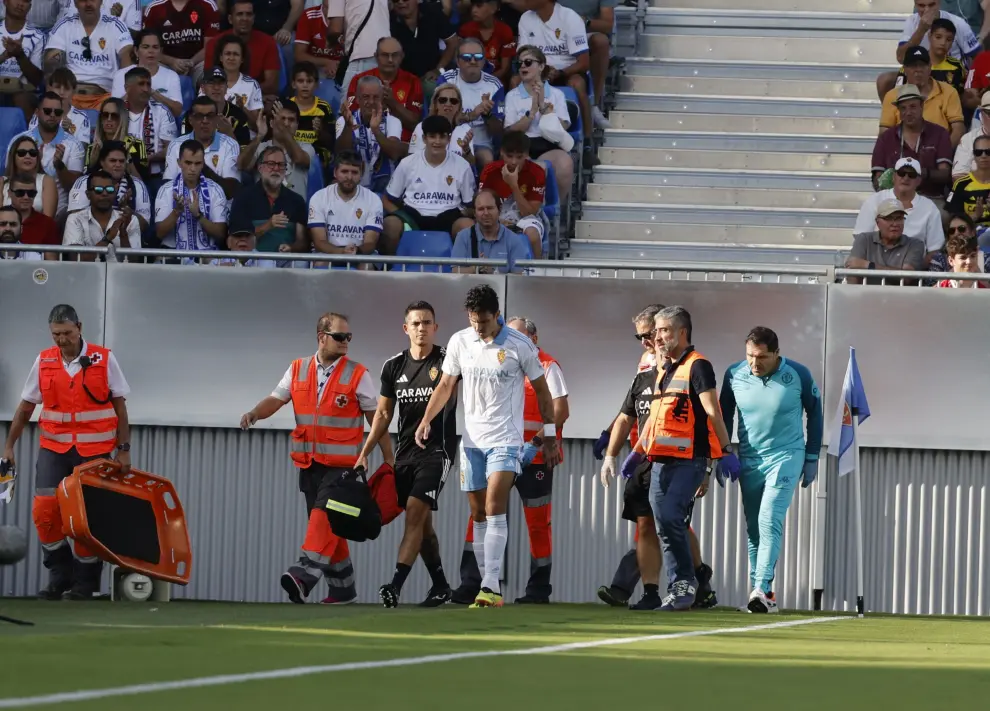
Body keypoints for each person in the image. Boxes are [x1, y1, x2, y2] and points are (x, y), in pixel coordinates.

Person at [415, 285, 560, 608]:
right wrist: (426, 419)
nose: (479, 328)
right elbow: (446, 385)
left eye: (484, 321)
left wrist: (548, 434)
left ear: (497, 315)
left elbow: (543, 392)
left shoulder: (519, 344)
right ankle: (485, 583)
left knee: (495, 508)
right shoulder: (460, 341)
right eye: (474, 321)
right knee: (478, 513)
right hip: (472, 443)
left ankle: (491, 586)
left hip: (505, 441)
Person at [240, 312, 393, 604]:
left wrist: (388, 459)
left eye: (349, 337)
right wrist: (255, 413)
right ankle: (343, 589)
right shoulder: (297, 368)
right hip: (309, 465)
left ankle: (302, 575)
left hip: (343, 469)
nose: (346, 342)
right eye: (339, 336)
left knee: (323, 518)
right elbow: (277, 397)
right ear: (321, 337)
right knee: (329, 525)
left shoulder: (358, 374)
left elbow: (378, 420)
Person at [2, 303, 131, 600]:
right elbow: (25, 407)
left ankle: (85, 583)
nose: (62, 340)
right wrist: (9, 446)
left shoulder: (103, 358)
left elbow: (121, 408)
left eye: (67, 333)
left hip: (95, 451)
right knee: (45, 512)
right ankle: (60, 574)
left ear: (80, 328)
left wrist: (123, 449)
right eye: (56, 334)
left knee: (88, 516)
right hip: (54, 449)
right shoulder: (44, 361)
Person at [597, 304, 718, 611]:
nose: (647, 341)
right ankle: (652, 589)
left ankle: (693, 579)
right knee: (649, 524)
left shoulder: (688, 368)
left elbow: (709, 416)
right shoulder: (647, 374)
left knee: (670, 520)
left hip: (682, 458)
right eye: (641, 337)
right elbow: (630, 416)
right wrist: (614, 450)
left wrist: (712, 462)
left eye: (651, 334)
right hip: (647, 458)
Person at [450, 316, 568, 605]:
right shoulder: (495, 360)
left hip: (535, 458)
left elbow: (560, 411)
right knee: (480, 515)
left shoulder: (548, 366)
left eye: (517, 335)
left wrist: (538, 443)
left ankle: (538, 589)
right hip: (498, 451)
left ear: (534, 339)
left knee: (538, 523)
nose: (508, 341)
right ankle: (473, 584)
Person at [625, 305, 736, 611]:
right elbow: (655, 418)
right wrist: (636, 454)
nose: (657, 337)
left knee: (672, 516)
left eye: (663, 331)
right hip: (659, 460)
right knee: (662, 522)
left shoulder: (698, 366)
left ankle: (684, 582)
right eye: (656, 331)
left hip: (691, 459)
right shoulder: (663, 369)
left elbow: (713, 412)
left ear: (681, 332)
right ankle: (686, 585)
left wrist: (724, 452)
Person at [357, 301, 458, 608]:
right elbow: (383, 414)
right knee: (423, 526)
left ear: (435, 327)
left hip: (438, 451)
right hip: (404, 454)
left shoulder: (448, 361)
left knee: (414, 512)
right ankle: (441, 585)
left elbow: (453, 395)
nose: (421, 328)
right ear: (406, 329)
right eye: (415, 323)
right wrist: (365, 452)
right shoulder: (393, 366)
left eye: (427, 322)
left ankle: (395, 586)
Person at [719, 327, 823, 614]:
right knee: (754, 529)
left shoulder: (798, 374)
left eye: (762, 356)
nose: (755, 363)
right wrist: (721, 453)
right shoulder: (734, 374)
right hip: (750, 459)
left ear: (777, 353)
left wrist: (812, 456)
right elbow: (723, 413)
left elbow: (815, 412)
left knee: (769, 518)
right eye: (751, 355)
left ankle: (760, 588)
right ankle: (763, 595)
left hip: (787, 455)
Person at [382, 115, 475, 253]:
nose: (437, 141)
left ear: (449, 139)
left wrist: (466, 213)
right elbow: (386, 199)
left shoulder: (462, 165)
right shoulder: (408, 163)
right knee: (390, 224)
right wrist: (402, 216)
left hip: (449, 218)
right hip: (413, 217)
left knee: (468, 226)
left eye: (442, 137)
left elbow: (470, 205)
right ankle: (389, 270)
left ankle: (463, 272)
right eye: (432, 136)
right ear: (424, 138)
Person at [517, 0, 593, 162]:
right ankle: (518, 139)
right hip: (536, 70)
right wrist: (540, 70)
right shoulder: (525, 18)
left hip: (567, 71)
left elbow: (584, 62)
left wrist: (560, 72)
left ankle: (586, 142)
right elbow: (523, 56)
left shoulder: (570, 18)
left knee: (578, 84)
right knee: (514, 80)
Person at [504, 45, 574, 200]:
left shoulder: (556, 94)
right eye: (519, 63)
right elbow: (510, 131)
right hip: (521, 146)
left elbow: (564, 126)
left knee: (565, 163)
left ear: (541, 66)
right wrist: (532, 112)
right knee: (527, 167)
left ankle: (555, 211)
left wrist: (543, 108)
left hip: (548, 144)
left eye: (528, 62)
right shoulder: (512, 96)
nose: (522, 66)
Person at [6, 92, 85, 219]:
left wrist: (60, 166)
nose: (52, 115)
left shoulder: (74, 145)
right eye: (47, 111)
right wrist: (35, 163)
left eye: (57, 112)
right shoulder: (19, 141)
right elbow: (10, 176)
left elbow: (74, 188)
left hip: (58, 214)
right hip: (19, 206)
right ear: (37, 112)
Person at [43, 0, 133, 110]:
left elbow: (127, 57)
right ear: (75, 3)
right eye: (83, 0)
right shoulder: (64, 25)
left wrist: (120, 98)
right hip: (69, 96)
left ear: (101, 1)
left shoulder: (115, 25)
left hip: (104, 99)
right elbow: (50, 61)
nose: (88, 4)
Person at [854, 157, 944, 265]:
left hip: (913, 271)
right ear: (894, 177)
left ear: (919, 181)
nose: (906, 178)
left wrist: (915, 271)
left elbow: (934, 250)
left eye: (911, 175)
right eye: (902, 173)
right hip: (875, 269)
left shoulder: (929, 208)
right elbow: (860, 239)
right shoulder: (875, 200)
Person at [230, 144, 308, 259]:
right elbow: (237, 240)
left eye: (281, 165)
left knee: (300, 263)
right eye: (271, 164)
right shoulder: (243, 198)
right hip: (252, 261)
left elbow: (303, 243)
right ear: (260, 168)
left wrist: (291, 248)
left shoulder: (296, 200)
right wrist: (268, 225)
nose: (276, 169)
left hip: (286, 262)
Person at [437, 37, 505, 168]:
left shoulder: (495, 85)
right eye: (467, 57)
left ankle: (482, 189)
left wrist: (487, 115)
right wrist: (471, 115)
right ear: (457, 61)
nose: (473, 61)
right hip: (450, 136)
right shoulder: (446, 80)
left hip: (480, 140)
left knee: (487, 158)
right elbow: (440, 118)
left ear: (484, 60)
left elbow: (498, 131)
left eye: (478, 57)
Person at [154, 139, 229, 259]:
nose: (193, 168)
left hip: (207, 255)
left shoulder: (215, 190)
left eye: (197, 163)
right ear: (179, 163)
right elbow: (159, 233)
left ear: (203, 164)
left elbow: (221, 234)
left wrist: (198, 215)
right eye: (188, 163)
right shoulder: (166, 190)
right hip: (173, 254)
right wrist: (176, 212)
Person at [478, 130, 547, 258]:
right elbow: (482, 204)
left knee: (532, 235)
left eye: (519, 157)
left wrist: (513, 185)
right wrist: (497, 220)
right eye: (509, 156)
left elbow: (529, 213)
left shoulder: (537, 173)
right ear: (502, 152)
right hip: (495, 215)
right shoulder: (490, 171)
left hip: (526, 218)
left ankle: (536, 271)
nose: (514, 162)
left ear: (526, 154)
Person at [308, 149, 384, 264]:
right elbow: (319, 242)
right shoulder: (319, 197)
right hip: (329, 253)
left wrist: (356, 251)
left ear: (361, 174)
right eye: (344, 171)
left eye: (354, 172)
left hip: (360, 253)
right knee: (320, 263)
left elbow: (370, 243)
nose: (349, 177)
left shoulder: (373, 200)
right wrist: (342, 252)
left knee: (366, 266)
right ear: (335, 173)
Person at [880, 46, 964, 147]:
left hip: (939, 150)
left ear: (929, 67)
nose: (918, 70)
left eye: (922, 65)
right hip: (903, 151)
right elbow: (884, 131)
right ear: (905, 69)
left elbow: (958, 128)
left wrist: (943, 153)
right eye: (913, 66)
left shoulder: (948, 91)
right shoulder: (892, 95)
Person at [335, 75, 406, 193]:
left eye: (376, 97)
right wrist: (348, 127)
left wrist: (376, 130)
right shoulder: (344, 120)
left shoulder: (393, 121)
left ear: (382, 98)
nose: (371, 102)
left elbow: (394, 153)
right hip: (353, 185)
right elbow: (341, 154)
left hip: (385, 188)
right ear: (357, 99)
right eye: (366, 97)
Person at [346, 38, 424, 141]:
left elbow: (415, 124)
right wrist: (377, 105)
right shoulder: (359, 80)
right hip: (364, 142)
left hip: (402, 145)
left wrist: (393, 103)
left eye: (395, 55)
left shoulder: (413, 81)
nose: (390, 60)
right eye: (385, 55)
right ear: (376, 57)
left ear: (402, 57)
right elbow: (352, 118)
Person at [164, 95, 241, 199]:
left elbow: (230, 191)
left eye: (210, 116)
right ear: (191, 119)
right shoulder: (175, 146)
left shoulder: (230, 145)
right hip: (183, 205)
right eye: (199, 116)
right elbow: (167, 187)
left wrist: (202, 167)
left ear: (217, 119)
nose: (205, 121)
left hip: (220, 208)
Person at [68, 140, 153, 232]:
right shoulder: (83, 182)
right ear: (102, 162)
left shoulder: (137, 185)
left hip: (126, 239)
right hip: (89, 239)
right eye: (113, 161)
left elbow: (145, 226)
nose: (118, 165)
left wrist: (127, 210)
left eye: (121, 161)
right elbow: (74, 220)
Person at [239, 101, 315, 200]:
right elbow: (242, 165)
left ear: (297, 125)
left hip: (295, 211)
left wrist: (283, 130)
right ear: (271, 123)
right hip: (264, 211)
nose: (286, 123)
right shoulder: (260, 147)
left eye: (291, 120)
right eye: (282, 119)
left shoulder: (306, 147)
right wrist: (259, 136)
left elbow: (299, 159)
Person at [204, 0, 280, 97]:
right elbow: (208, 81)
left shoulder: (268, 42)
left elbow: (272, 85)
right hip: (222, 96)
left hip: (256, 96)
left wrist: (243, 93)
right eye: (240, 14)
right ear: (230, 19)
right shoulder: (214, 43)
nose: (244, 18)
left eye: (248, 14)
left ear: (253, 18)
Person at [62, 169, 141, 259]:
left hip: (119, 272)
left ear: (115, 193)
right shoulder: (75, 219)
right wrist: (108, 238)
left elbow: (135, 263)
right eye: (98, 190)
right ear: (88, 194)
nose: (104, 193)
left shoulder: (130, 220)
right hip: (87, 273)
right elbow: (76, 259)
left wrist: (123, 234)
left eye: (109, 189)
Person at [845, 199, 926, 283]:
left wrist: (869, 265)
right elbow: (852, 272)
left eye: (899, 218)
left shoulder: (915, 244)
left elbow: (907, 277)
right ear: (877, 222)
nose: (895, 224)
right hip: (866, 294)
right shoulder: (864, 239)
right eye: (889, 218)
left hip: (900, 295)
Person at [451, 189, 530, 274]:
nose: (486, 213)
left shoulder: (514, 240)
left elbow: (518, 277)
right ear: (474, 213)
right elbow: (455, 272)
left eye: (490, 208)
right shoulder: (463, 237)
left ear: (499, 210)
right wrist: (476, 268)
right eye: (481, 209)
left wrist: (493, 273)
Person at [390, 0, 458, 96]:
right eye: (395, 0)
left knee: (431, 87)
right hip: (402, 77)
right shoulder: (389, 19)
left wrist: (438, 69)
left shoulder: (432, 12)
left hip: (430, 75)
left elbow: (452, 42)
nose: (400, 2)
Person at [110, 29, 183, 118]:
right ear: (136, 51)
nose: (151, 51)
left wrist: (152, 92)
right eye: (145, 47)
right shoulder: (121, 75)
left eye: (155, 47)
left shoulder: (171, 76)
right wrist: (133, 90)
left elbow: (177, 111)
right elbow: (114, 111)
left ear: (160, 52)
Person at [122, 66, 177, 178]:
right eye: (141, 84)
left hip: (155, 174)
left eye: (148, 84)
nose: (146, 89)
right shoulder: (116, 110)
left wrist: (150, 158)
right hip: (121, 173)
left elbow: (172, 149)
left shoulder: (161, 111)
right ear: (127, 88)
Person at [143, 0, 221, 77]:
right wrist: (172, 61)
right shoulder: (154, 8)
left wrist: (191, 62)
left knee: (211, 75)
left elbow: (210, 47)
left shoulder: (208, 5)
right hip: (165, 63)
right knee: (150, 68)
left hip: (198, 63)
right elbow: (148, 49)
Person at [329, 0, 392, 94]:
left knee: (348, 106)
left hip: (362, 55)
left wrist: (330, 42)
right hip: (388, 56)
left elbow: (335, 29)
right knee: (381, 104)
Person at [408, 84, 474, 165]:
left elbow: (471, 164)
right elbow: (412, 160)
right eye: (443, 100)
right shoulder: (422, 127)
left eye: (453, 101)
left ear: (458, 106)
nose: (448, 104)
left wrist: (467, 150)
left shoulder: (465, 130)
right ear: (435, 104)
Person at [0, 0, 45, 117]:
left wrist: (20, 55)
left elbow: (37, 80)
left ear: (30, 7)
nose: (20, 4)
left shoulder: (38, 36)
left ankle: (27, 135)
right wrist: (4, 57)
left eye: (25, 1)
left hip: (24, 92)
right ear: (5, 2)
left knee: (21, 97)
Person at [289, 62, 335, 173]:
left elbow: (331, 141)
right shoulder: (287, 106)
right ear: (293, 84)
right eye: (300, 81)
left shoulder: (324, 107)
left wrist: (320, 132)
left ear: (316, 84)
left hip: (317, 153)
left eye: (309, 81)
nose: (305, 85)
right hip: (292, 150)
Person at [86, 97, 148, 177]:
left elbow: (142, 182)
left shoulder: (136, 144)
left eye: (114, 116)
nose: (109, 119)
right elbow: (86, 180)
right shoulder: (94, 147)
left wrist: (127, 159)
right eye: (105, 115)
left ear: (122, 118)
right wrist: (93, 163)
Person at [191, 67, 253, 147]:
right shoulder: (193, 113)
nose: (216, 88)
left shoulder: (238, 115)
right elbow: (183, 149)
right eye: (211, 83)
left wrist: (229, 133)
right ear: (202, 88)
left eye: (221, 83)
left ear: (227, 88)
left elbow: (244, 157)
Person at [459, 0, 515, 84]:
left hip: (495, 79)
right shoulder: (466, 30)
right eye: (473, 6)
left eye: (479, 5)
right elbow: (461, 62)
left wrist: (485, 82)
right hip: (469, 78)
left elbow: (504, 68)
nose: (473, 10)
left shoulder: (505, 31)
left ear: (493, 8)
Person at [1, 135, 58, 218]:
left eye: (32, 153)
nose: (28, 156)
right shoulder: (2, 182)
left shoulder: (46, 181)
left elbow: (47, 221)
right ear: (13, 156)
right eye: (22, 153)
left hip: (38, 229)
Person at [6, 172, 59, 258]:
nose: (26, 197)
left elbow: (52, 263)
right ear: (9, 193)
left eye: (31, 193)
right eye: (20, 193)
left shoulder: (47, 224)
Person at [213, 34, 263, 123]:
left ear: (242, 59)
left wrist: (242, 109)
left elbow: (257, 125)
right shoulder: (209, 83)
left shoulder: (252, 85)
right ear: (221, 57)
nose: (231, 58)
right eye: (228, 53)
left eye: (236, 54)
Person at [294, 0, 344, 82]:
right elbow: (299, 55)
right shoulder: (309, 15)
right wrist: (326, 62)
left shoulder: (351, 17)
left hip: (343, 68)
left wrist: (338, 66)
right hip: (316, 68)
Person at [947, 134, 990, 228]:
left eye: (988, 152)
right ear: (973, 155)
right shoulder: (961, 184)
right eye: (979, 152)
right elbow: (953, 221)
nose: (983, 156)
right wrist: (975, 216)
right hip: (971, 237)